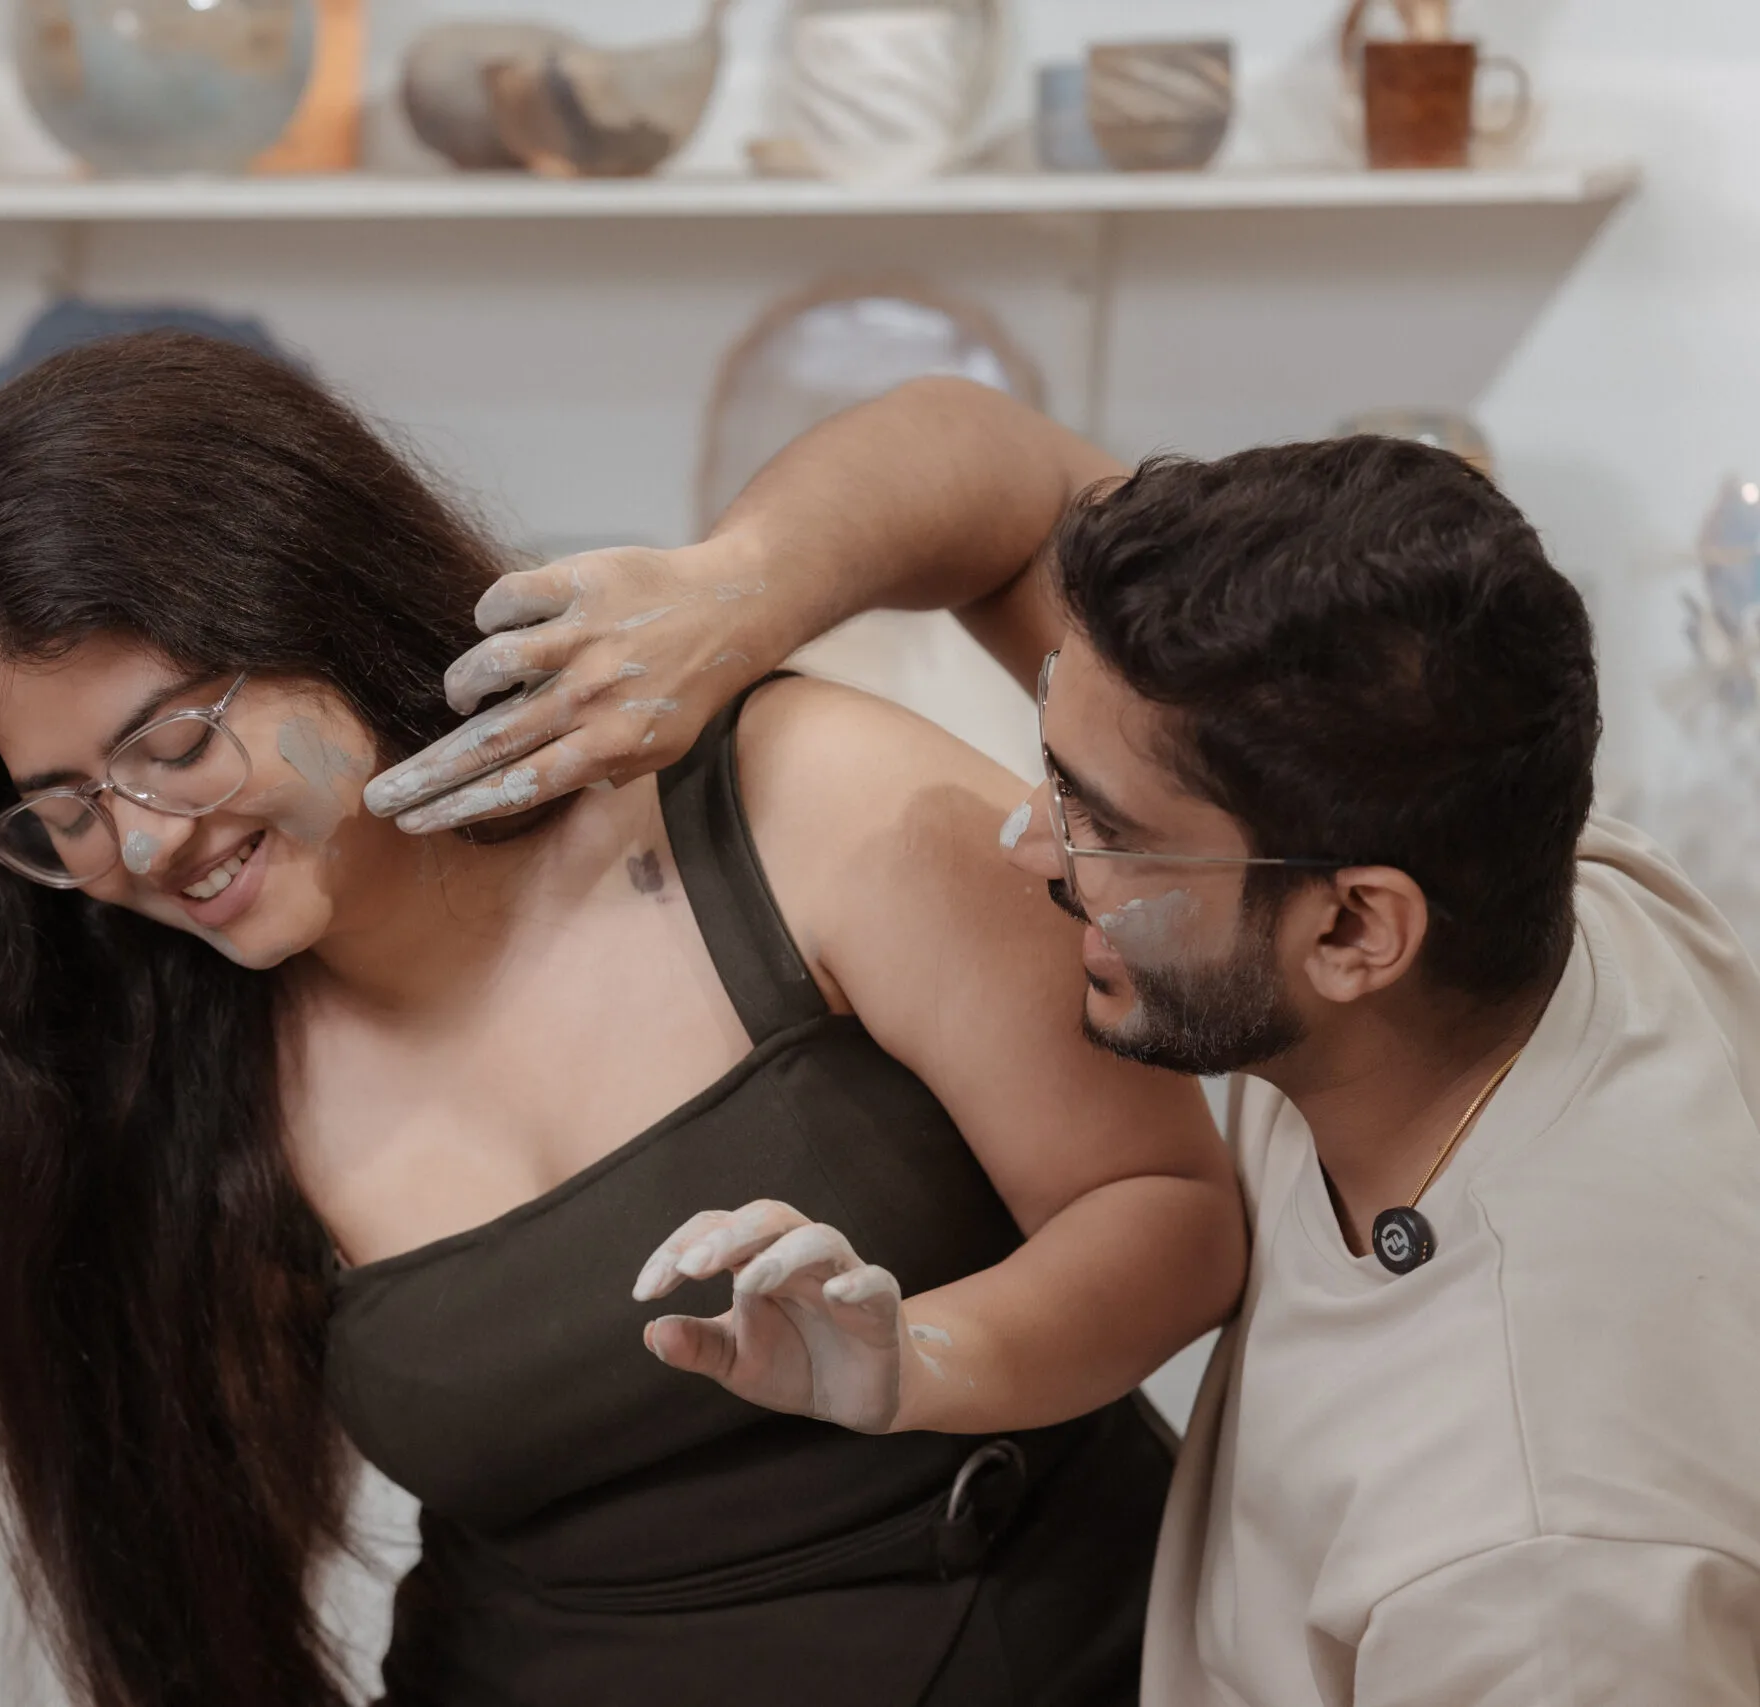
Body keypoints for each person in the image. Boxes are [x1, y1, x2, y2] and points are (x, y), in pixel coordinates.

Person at [0, 332, 1247, 1707]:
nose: (145, 843)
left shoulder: (801, 800)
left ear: (312, 596)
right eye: (66, 811)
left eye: (173, 745)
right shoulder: (186, 1070)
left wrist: (919, 1361)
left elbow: (1172, 1216)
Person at [381, 387, 1760, 1705]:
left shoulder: (1539, 1562)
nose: (1029, 842)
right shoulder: (1502, 860)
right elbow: (994, 474)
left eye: (1105, 825)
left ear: (1353, 929)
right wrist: (727, 594)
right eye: (1055, 770)